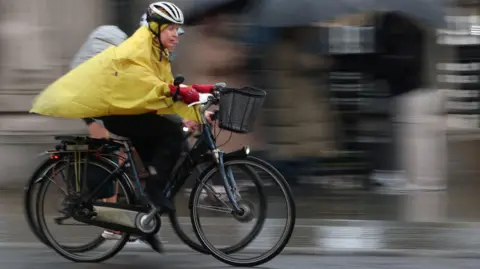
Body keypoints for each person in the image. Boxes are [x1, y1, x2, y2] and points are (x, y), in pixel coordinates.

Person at [30, 1, 215, 253]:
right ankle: (116, 221)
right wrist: (183, 97)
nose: (176, 35)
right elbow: (150, 87)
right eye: (170, 28)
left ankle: (142, 218)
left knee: (163, 147)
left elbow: (162, 93)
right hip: (105, 106)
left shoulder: (157, 53)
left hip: (124, 108)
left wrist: (199, 101)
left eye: (178, 30)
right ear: (154, 28)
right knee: (123, 147)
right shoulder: (137, 49)